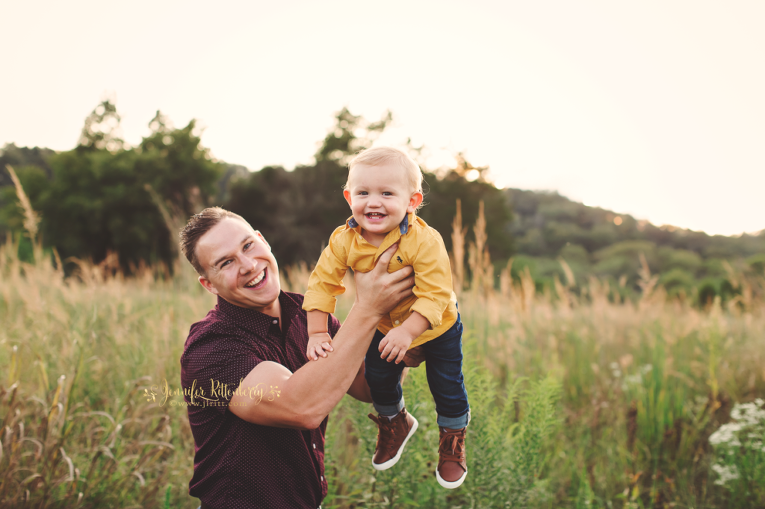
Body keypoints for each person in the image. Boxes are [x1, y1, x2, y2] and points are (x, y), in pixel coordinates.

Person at [178, 207, 415, 509]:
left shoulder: (309, 314)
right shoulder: (211, 348)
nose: (249, 265)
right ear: (209, 284)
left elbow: (367, 386)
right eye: (226, 262)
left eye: (248, 245)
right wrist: (369, 309)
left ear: (263, 240)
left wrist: (396, 322)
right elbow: (302, 407)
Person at [302, 146, 470, 489]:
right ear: (349, 197)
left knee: (447, 386)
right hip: (385, 325)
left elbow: (436, 295)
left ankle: (452, 442)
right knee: (378, 378)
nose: (373, 202)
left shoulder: (424, 241)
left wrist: (409, 332)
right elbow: (322, 283)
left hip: (437, 328)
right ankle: (396, 422)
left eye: (387, 193)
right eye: (363, 193)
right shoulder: (343, 240)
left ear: (412, 200)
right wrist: (318, 332)